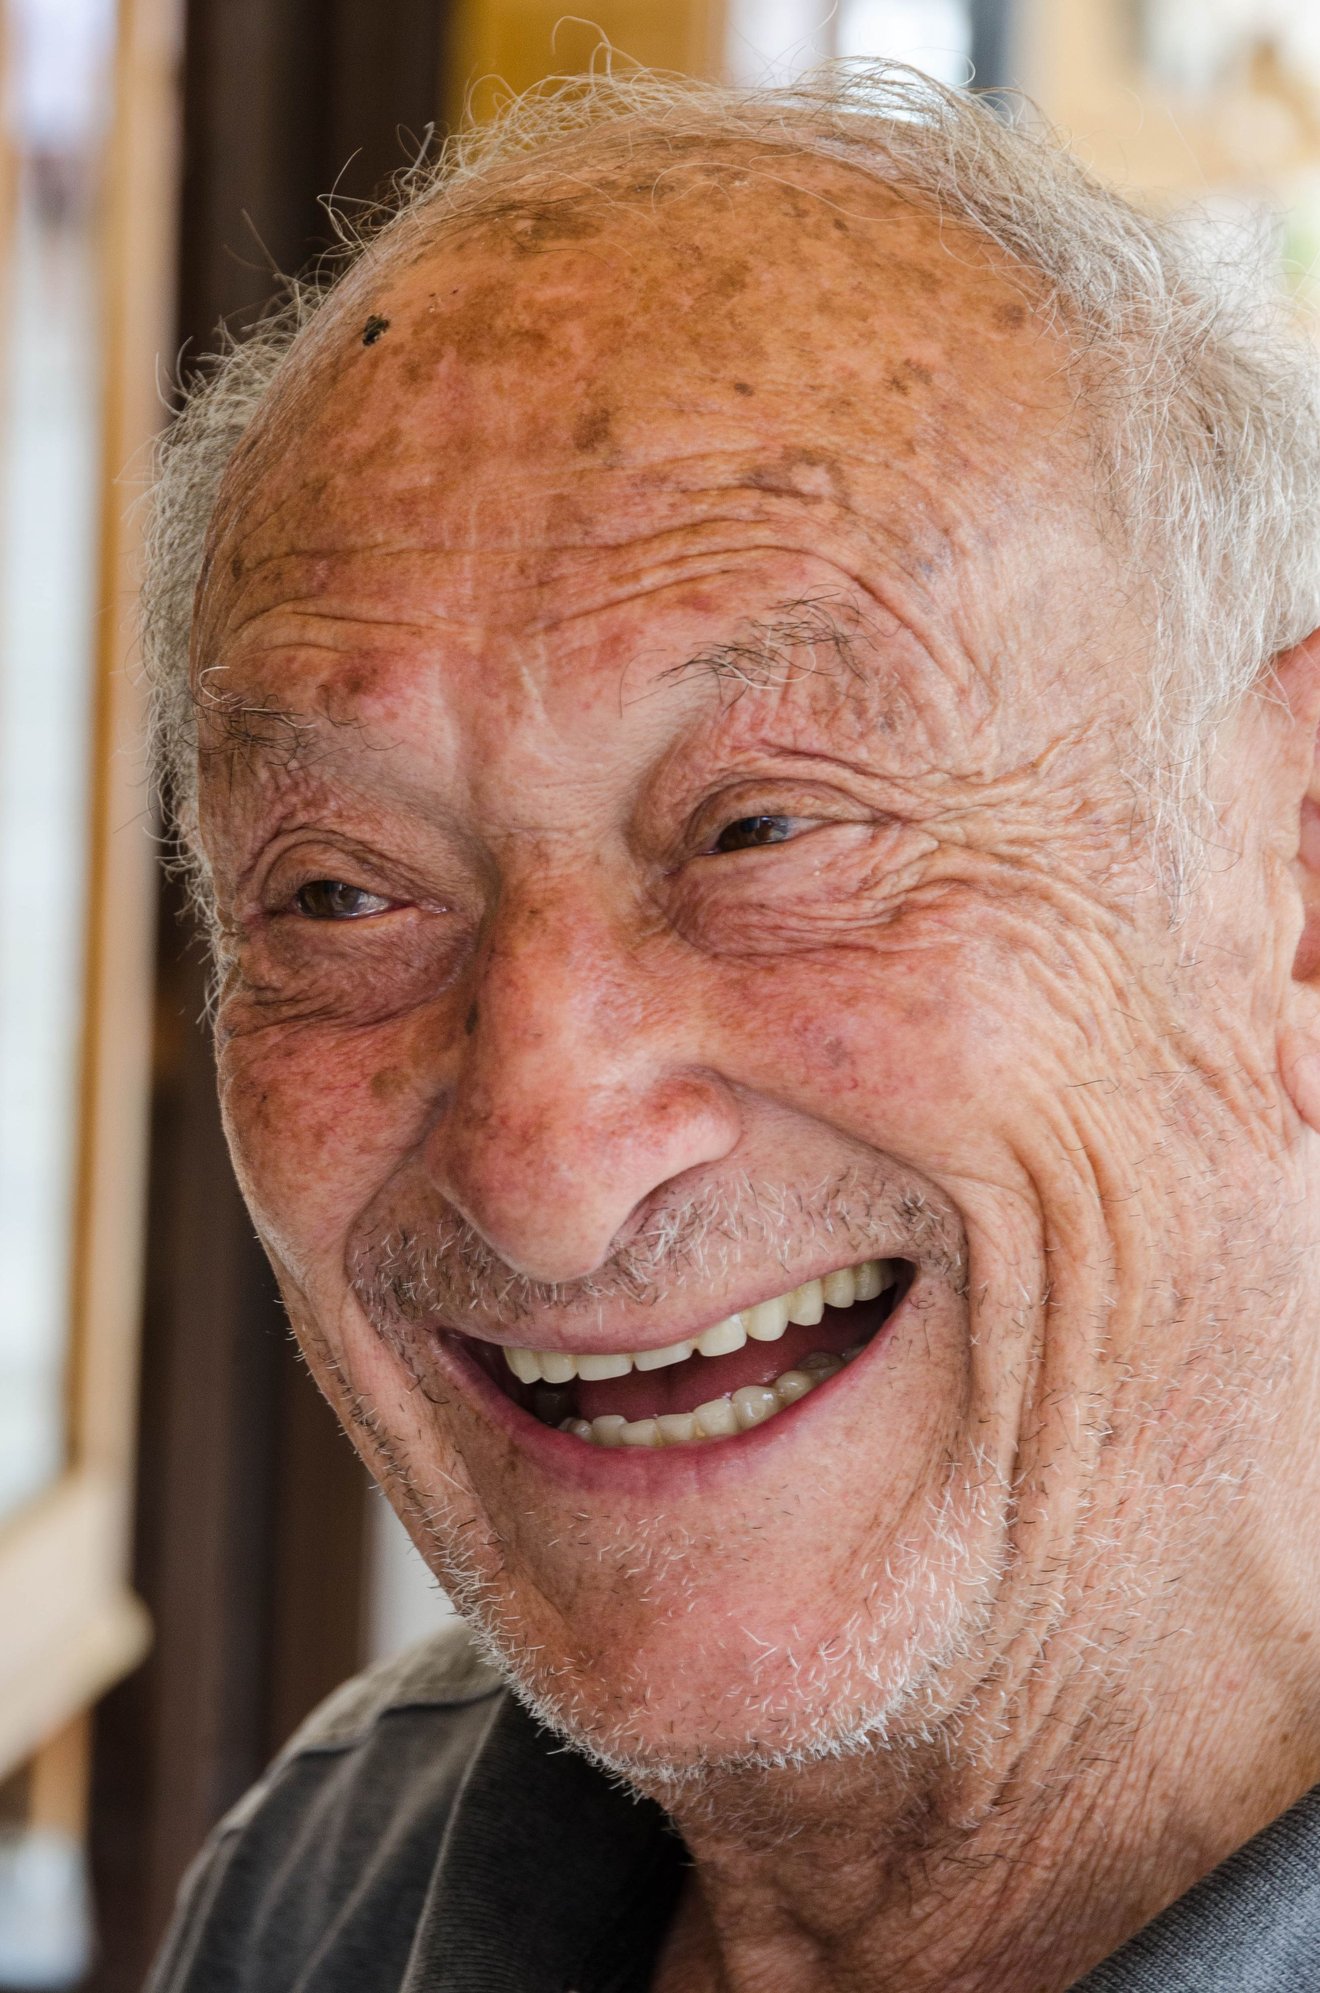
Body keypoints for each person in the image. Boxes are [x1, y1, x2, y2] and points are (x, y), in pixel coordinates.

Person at [142, 63, 1320, 1992]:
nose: (543, 1170)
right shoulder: (330, 1893)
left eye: (765, 829)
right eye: (342, 892)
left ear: (1300, 881)